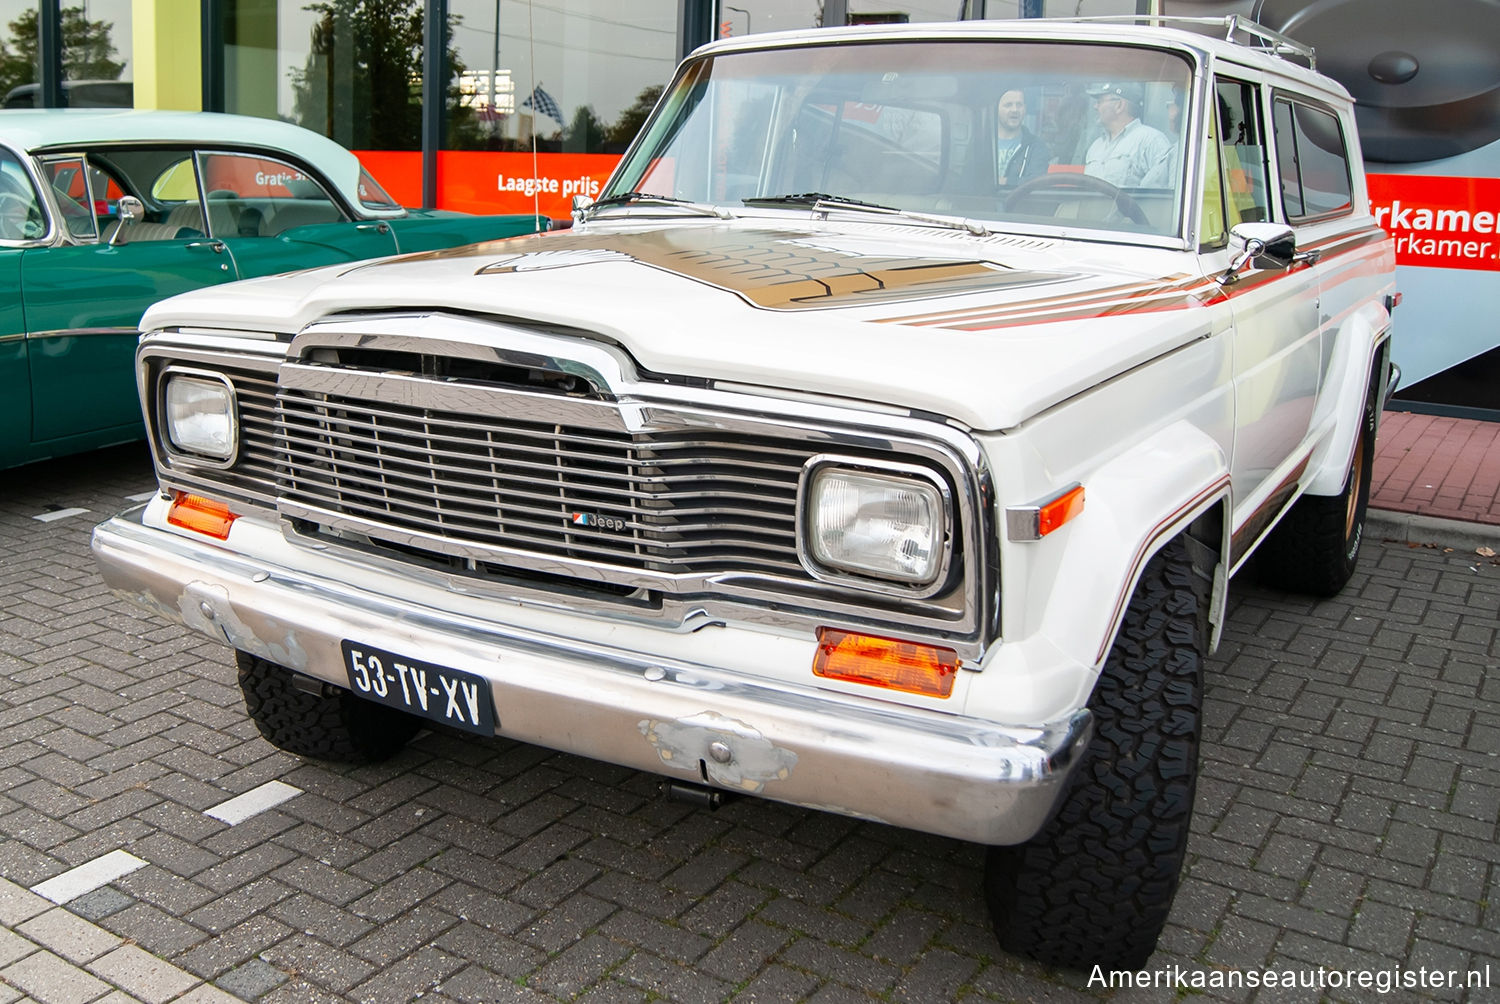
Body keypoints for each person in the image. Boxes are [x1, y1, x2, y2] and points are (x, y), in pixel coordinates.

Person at [1083, 81, 1172, 188]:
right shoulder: (1096, 146)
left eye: (1100, 101)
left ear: (1119, 105)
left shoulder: (1151, 140)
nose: (1095, 106)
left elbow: (1160, 196)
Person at [995, 87, 1052, 185]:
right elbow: (969, 178)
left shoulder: (1036, 146)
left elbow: (1037, 182)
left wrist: (1002, 182)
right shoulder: (982, 142)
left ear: (1025, 109)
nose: (1015, 110)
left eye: (1019, 105)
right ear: (996, 109)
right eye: (1008, 105)